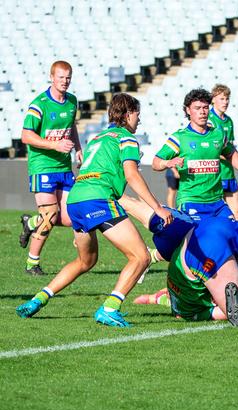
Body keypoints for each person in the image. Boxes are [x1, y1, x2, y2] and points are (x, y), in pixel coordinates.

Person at [16, 93, 173, 328]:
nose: (138, 120)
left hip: (76, 199)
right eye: (137, 114)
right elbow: (131, 175)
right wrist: (157, 208)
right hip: (97, 200)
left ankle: (38, 299)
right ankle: (110, 309)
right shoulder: (126, 139)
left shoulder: (98, 139)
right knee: (140, 256)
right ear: (128, 113)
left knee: (85, 261)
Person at [19, 60, 83, 275]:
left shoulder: (72, 101)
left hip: (64, 167)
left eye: (68, 77)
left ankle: (31, 223)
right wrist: (55, 145)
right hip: (42, 167)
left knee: (69, 216)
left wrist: (79, 149)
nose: (65, 81)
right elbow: (26, 136)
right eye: (61, 77)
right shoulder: (39, 104)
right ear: (51, 77)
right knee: (50, 215)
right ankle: (32, 264)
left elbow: (71, 126)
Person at [152, 88, 238, 221]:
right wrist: (167, 163)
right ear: (188, 110)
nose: (202, 112)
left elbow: (231, 153)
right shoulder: (180, 137)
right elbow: (155, 162)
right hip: (190, 200)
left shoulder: (218, 134)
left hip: (217, 202)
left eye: (205, 107)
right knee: (195, 238)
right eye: (197, 108)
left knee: (232, 235)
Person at [209, 84, 238, 226]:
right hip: (214, 175)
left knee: (237, 212)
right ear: (213, 99)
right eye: (222, 99)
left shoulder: (229, 121)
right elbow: (210, 151)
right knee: (213, 213)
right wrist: (231, 158)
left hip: (228, 173)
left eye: (227, 99)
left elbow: (229, 147)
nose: (225, 102)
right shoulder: (209, 120)